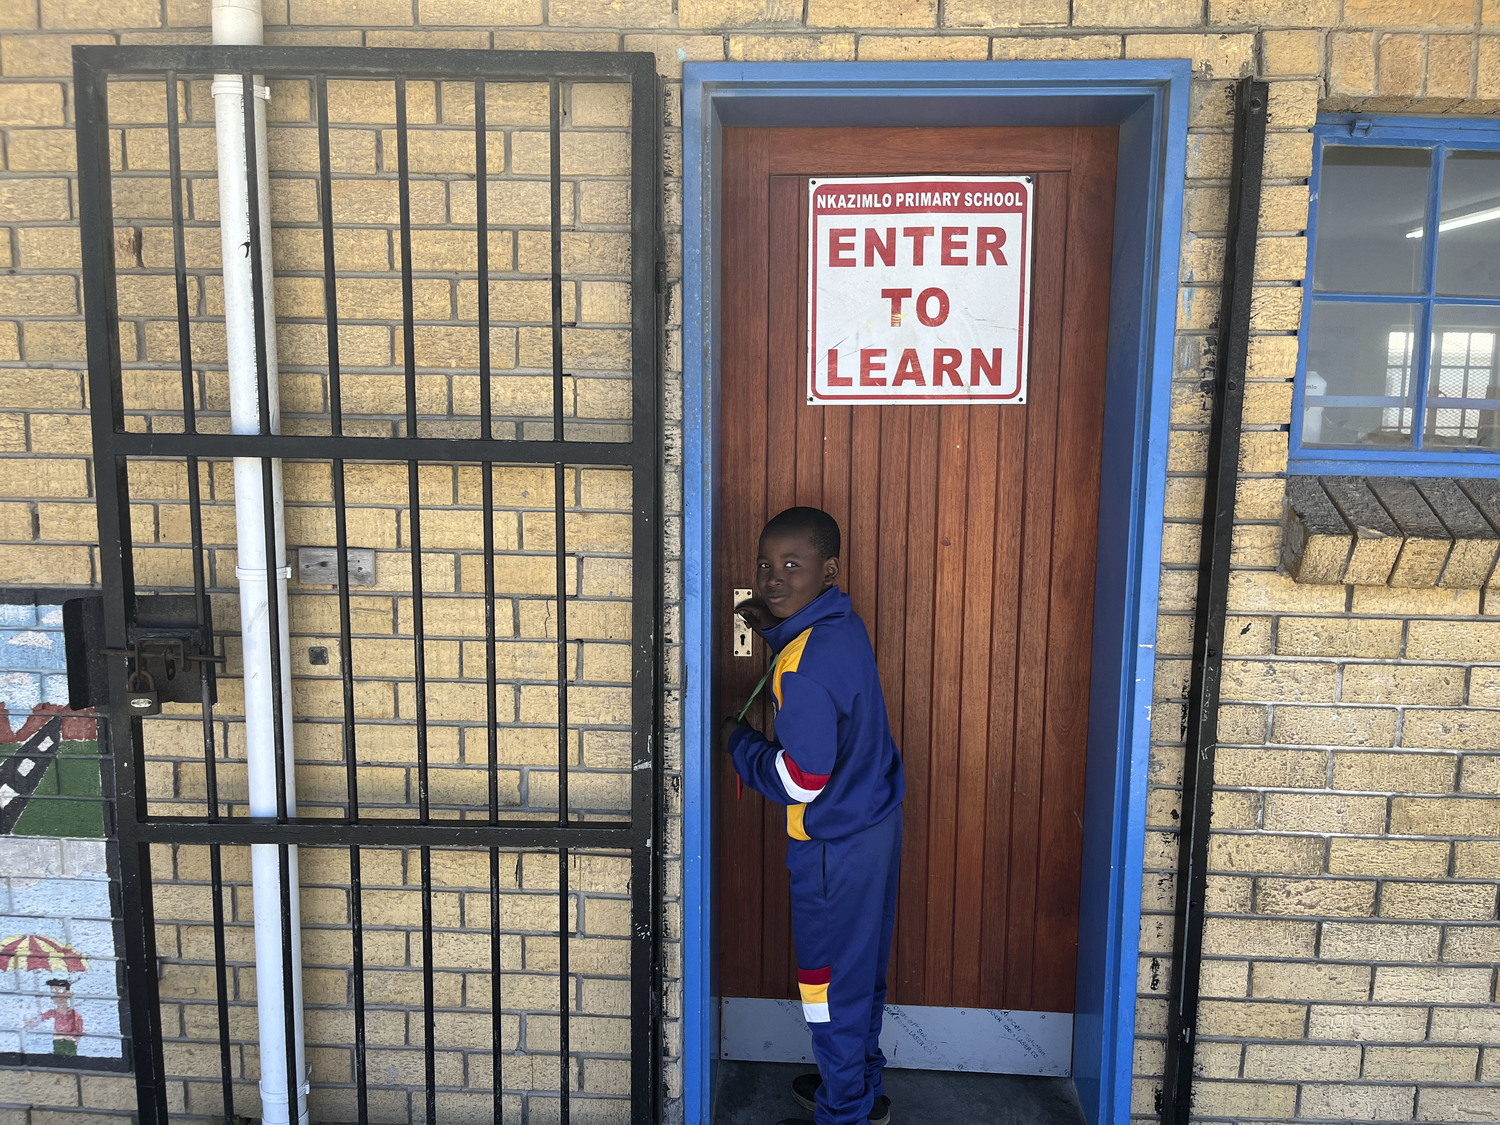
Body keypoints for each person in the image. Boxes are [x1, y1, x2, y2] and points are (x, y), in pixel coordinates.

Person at [720, 506, 905, 1125]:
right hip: (874, 829)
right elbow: (812, 657)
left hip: (833, 848)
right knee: (860, 973)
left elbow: (802, 780)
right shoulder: (841, 626)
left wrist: (739, 745)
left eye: (791, 566)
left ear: (827, 570)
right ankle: (857, 1086)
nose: (773, 579)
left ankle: (844, 1110)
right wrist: (768, 627)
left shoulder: (803, 664)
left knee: (828, 988)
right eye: (765, 566)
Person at [27, 978, 83, 1056]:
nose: (57, 996)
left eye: (60, 991)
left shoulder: (75, 1015)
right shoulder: (53, 1012)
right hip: (57, 1041)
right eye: (54, 992)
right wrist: (33, 1021)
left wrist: (75, 1040)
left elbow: (78, 1030)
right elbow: (43, 1017)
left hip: (70, 1042)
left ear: (68, 994)